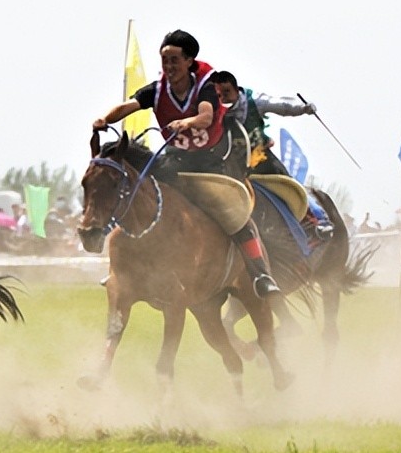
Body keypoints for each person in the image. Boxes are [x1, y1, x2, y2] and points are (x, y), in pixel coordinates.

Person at [92, 29, 280, 298]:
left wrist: (187, 122)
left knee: (236, 216)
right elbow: (129, 106)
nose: (169, 66)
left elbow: (206, 117)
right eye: (165, 60)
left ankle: (261, 274)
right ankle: (122, 266)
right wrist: (105, 119)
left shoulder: (207, 87)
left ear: (189, 61)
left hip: (212, 164)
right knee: (137, 193)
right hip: (176, 161)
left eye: (174, 60)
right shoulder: (157, 90)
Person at [213, 70, 334, 239]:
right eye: (219, 95)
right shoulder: (213, 109)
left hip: (262, 160)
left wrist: (302, 108)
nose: (223, 99)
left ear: (236, 89)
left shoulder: (255, 101)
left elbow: (280, 105)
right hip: (234, 166)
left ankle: (320, 220)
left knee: (292, 185)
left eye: (227, 92)